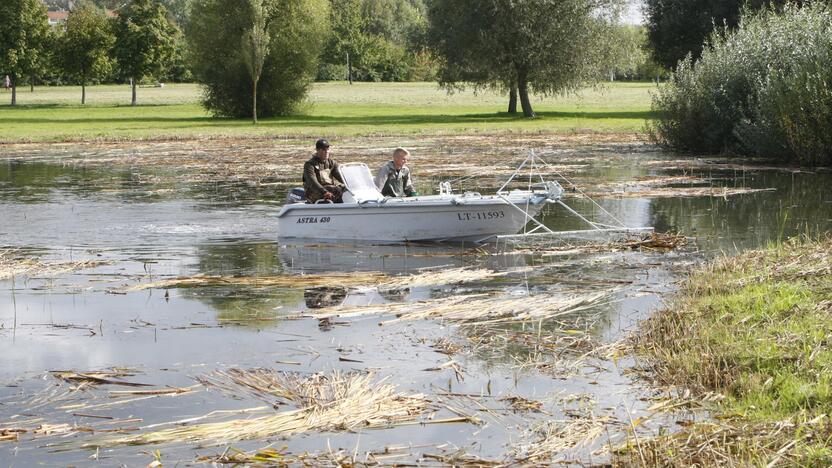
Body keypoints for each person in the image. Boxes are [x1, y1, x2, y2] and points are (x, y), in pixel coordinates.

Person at [303, 138, 345, 203]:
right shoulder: (309, 165)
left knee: (344, 188)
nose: (326, 152)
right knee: (336, 190)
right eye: (323, 150)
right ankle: (340, 208)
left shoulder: (332, 163)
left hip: (329, 190)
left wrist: (350, 184)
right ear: (317, 150)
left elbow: (341, 177)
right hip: (313, 192)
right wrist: (324, 192)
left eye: (328, 149)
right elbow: (312, 182)